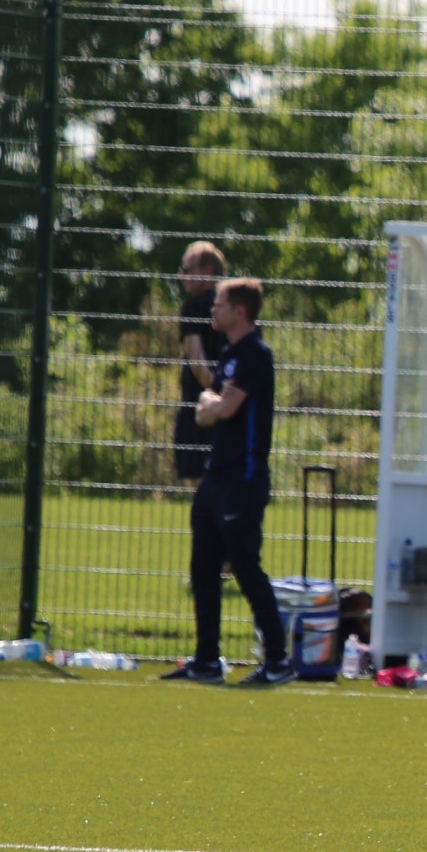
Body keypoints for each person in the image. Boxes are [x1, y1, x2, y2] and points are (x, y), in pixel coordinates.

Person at [160, 276, 295, 687]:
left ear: (240, 311)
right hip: (216, 476)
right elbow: (207, 408)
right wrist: (213, 404)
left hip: (244, 478)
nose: (212, 310)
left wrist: (214, 405)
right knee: (203, 566)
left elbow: (226, 407)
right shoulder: (230, 354)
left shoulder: (256, 354)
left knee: (245, 566)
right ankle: (206, 660)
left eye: (218, 304)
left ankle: (278, 660)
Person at [173, 242, 227, 484]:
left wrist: (215, 398)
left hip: (201, 405)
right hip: (233, 402)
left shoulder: (193, 306)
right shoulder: (235, 306)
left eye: (187, 270)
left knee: (201, 484)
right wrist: (229, 401)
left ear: (208, 271)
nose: (182, 277)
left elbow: (197, 363)